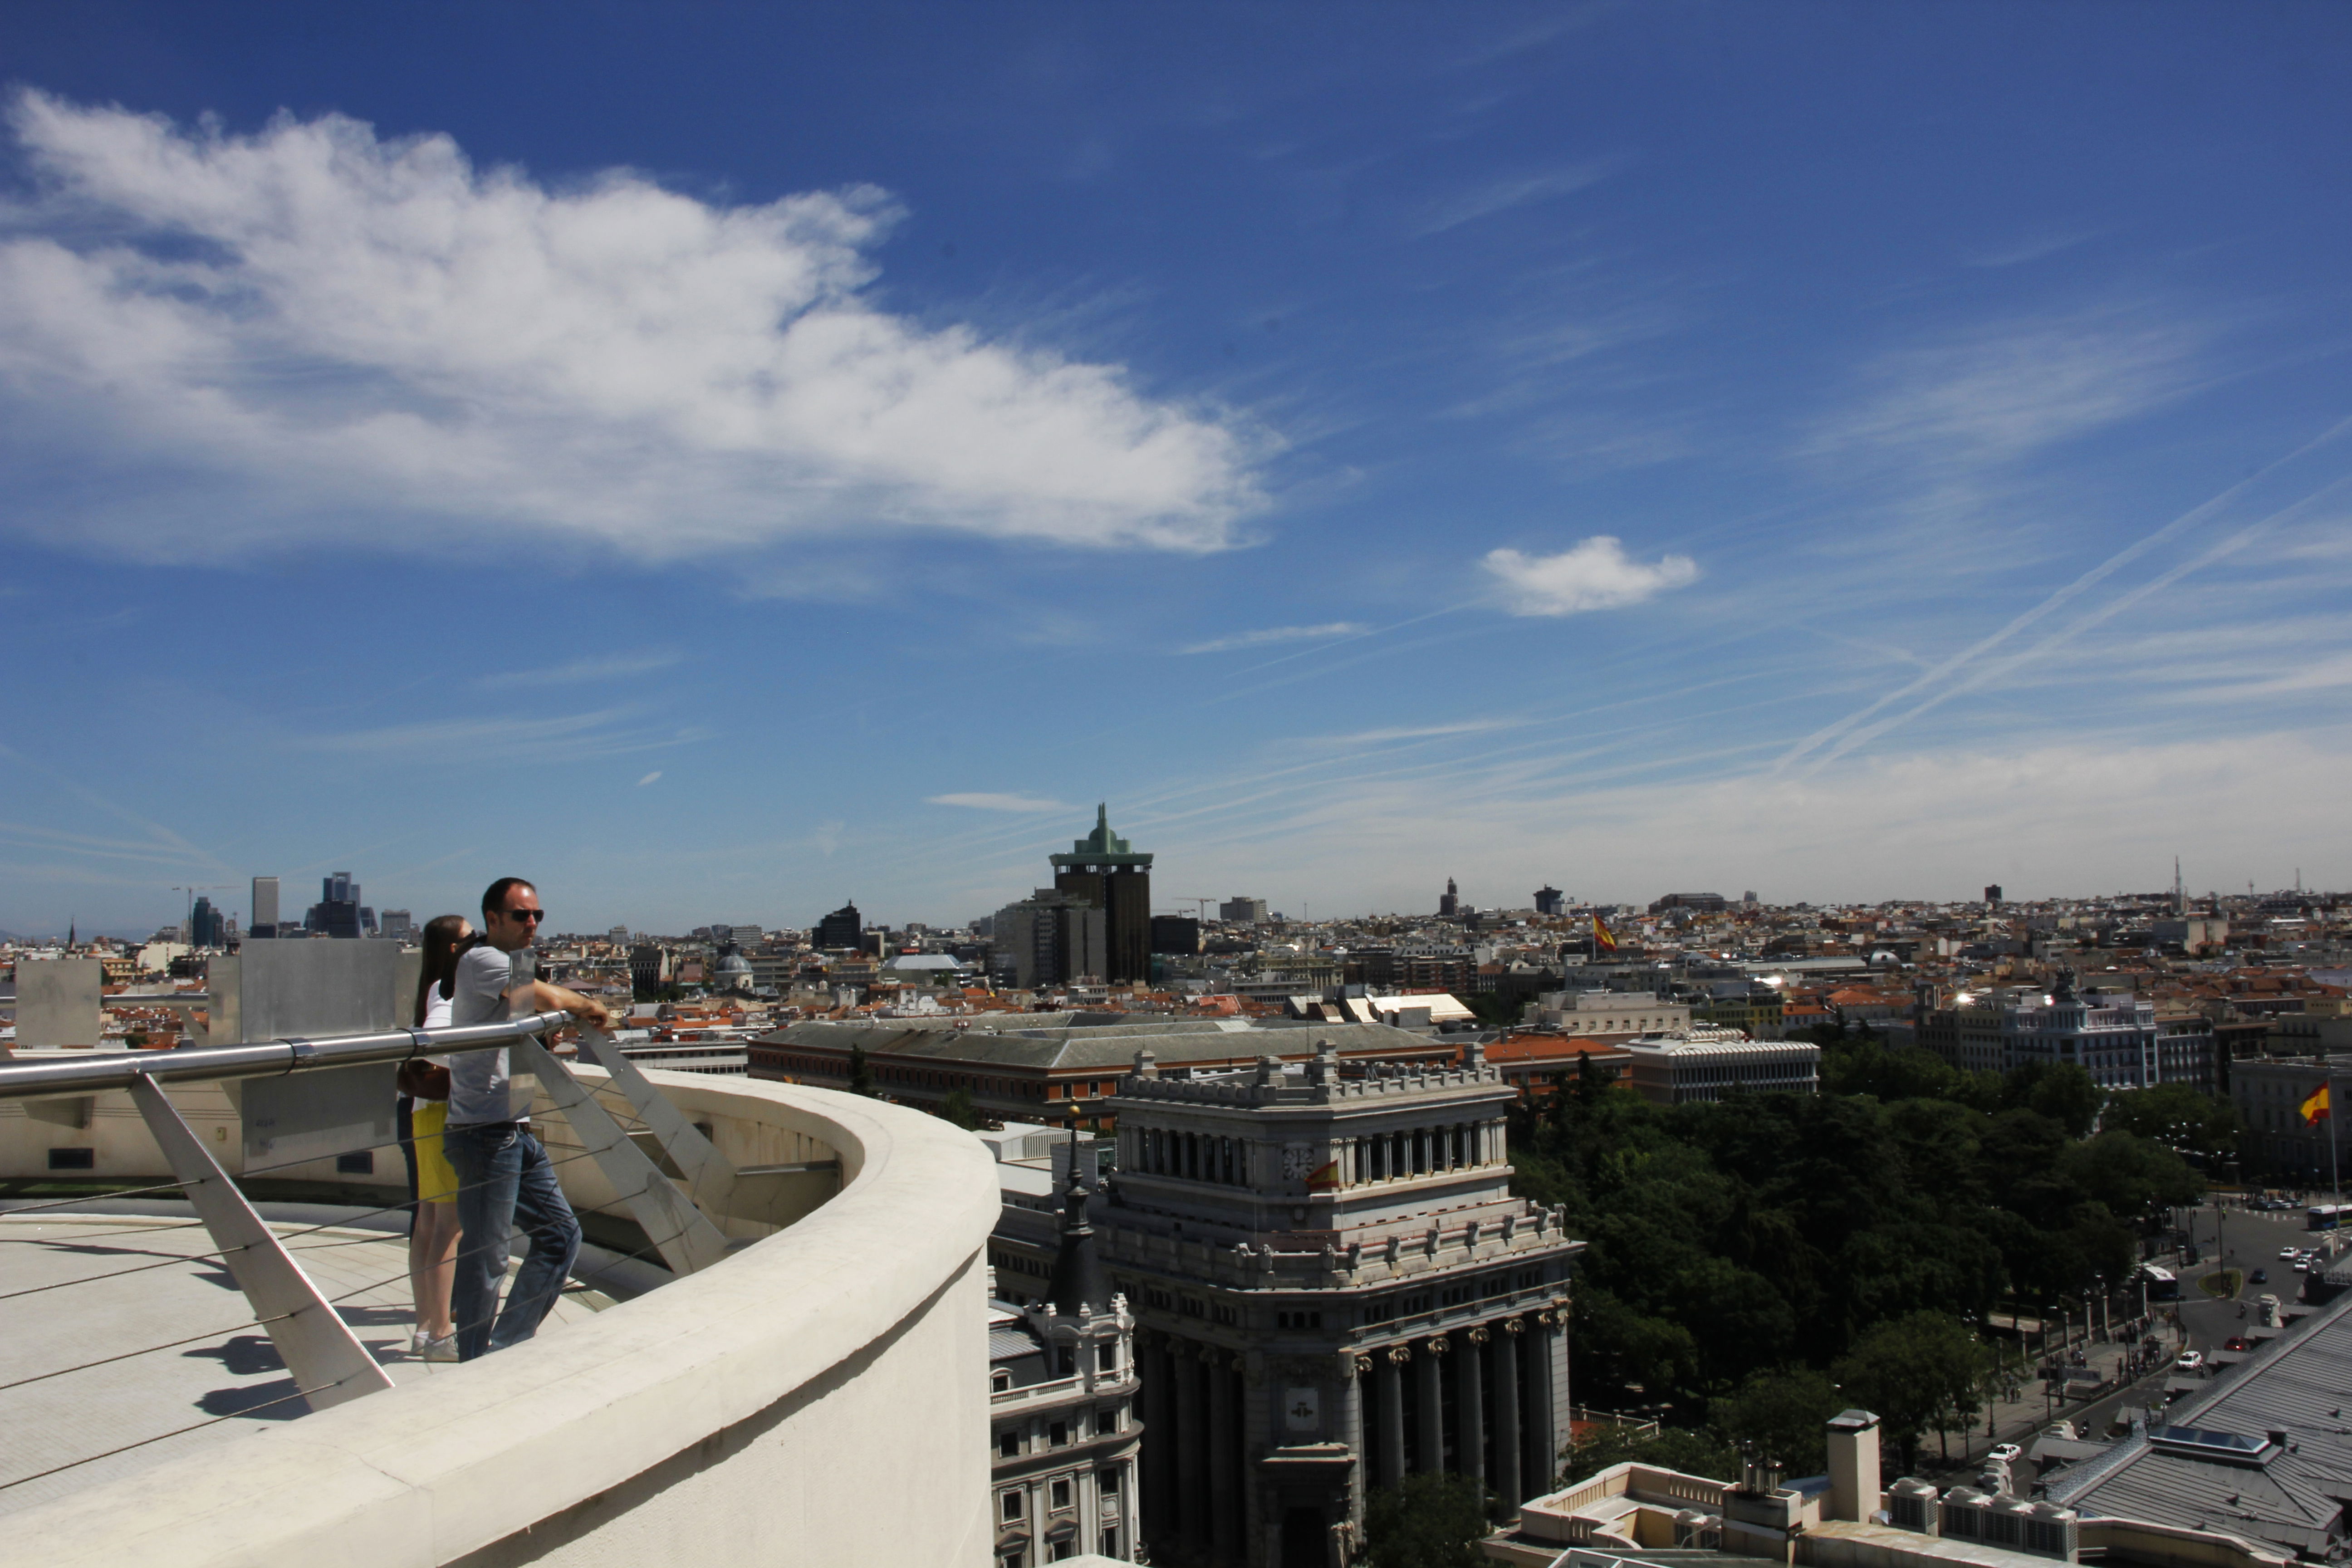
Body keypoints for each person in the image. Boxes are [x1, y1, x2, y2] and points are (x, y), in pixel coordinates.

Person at [442, 876, 613, 1361]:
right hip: (483, 1132)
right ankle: (476, 1363)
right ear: (492, 919)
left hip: (511, 1126)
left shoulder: (509, 966)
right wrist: (591, 1006)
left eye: (537, 915)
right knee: (489, 1257)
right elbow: (553, 999)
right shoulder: (482, 961)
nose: (532, 923)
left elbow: (522, 1018)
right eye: (521, 915)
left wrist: (539, 1036)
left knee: (561, 1237)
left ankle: (504, 1349)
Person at [399, 914, 470, 1362]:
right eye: (469, 939)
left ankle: (426, 1325)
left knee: (428, 1223)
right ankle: (443, 1332)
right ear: (451, 950)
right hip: (445, 1114)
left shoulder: (431, 988)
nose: (476, 944)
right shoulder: (449, 992)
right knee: (448, 1227)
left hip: (424, 1115)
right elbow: (439, 1042)